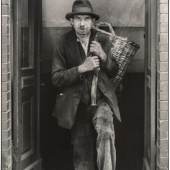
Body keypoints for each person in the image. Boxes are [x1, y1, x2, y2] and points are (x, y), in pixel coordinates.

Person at [51, 0, 121, 169]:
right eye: (78, 19)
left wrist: (104, 57)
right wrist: (81, 68)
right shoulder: (63, 42)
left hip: (101, 102)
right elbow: (56, 78)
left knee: (106, 133)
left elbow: (114, 71)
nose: (82, 24)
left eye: (86, 19)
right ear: (71, 22)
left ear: (93, 21)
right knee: (82, 158)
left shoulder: (103, 39)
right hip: (77, 107)